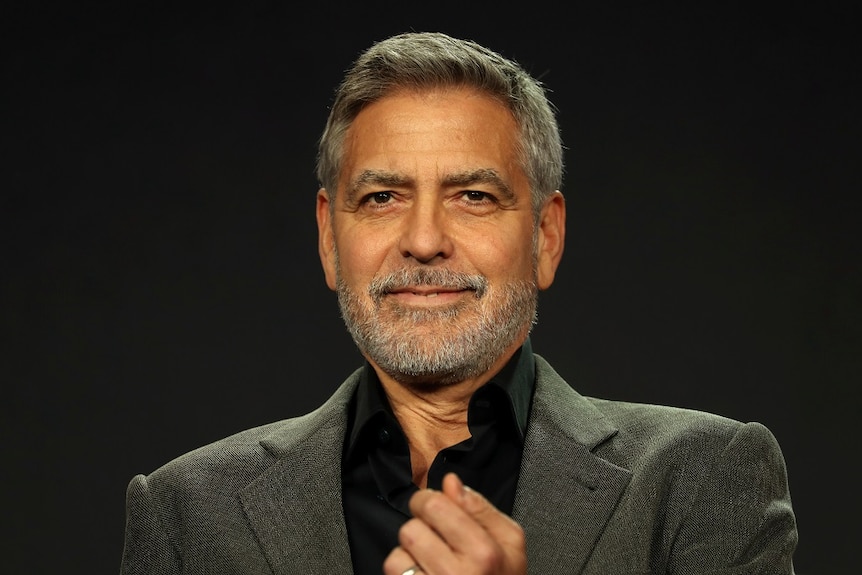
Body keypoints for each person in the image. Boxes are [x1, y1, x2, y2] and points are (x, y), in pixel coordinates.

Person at [119, 31, 798, 575]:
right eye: (382, 197)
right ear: (330, 238)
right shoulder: (188, 510)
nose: (422, 241)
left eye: (473, 196)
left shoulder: (703, 479)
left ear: (545, 235)